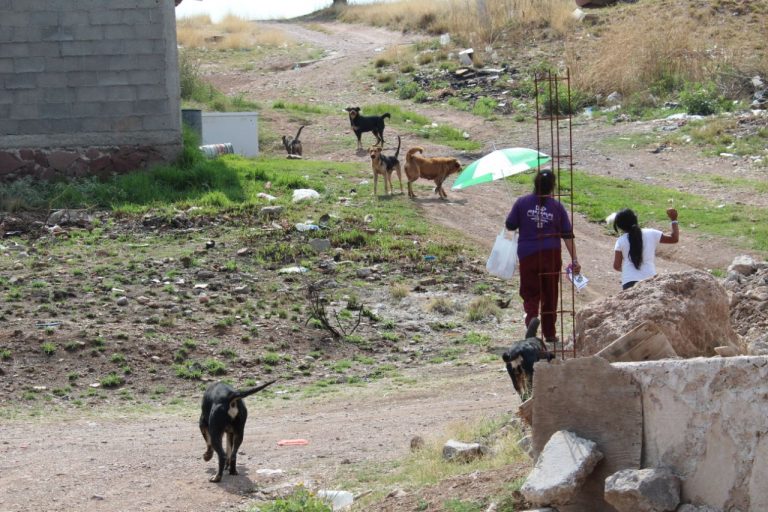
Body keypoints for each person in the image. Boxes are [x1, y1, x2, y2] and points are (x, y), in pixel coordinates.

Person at [505, 170, 580, 345]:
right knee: (550, 292)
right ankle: (550, 333)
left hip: (528, 254)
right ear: (553, 186)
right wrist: (575, 260)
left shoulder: (522, 202)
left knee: (530, 290)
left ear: (534, 184)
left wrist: (520, 215)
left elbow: (510, 225)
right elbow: (567, 235)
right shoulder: (557, 207)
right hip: (550, 254)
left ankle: (531, 318)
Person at [612, 208, 679, 290]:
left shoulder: (620, 241)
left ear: (620, 226)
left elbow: (616, 266)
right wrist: (674, 220)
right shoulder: (651, 233)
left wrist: (628, 271)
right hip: (650, 279)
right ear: (635, 219)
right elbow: (674, 238)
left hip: (628, 282)